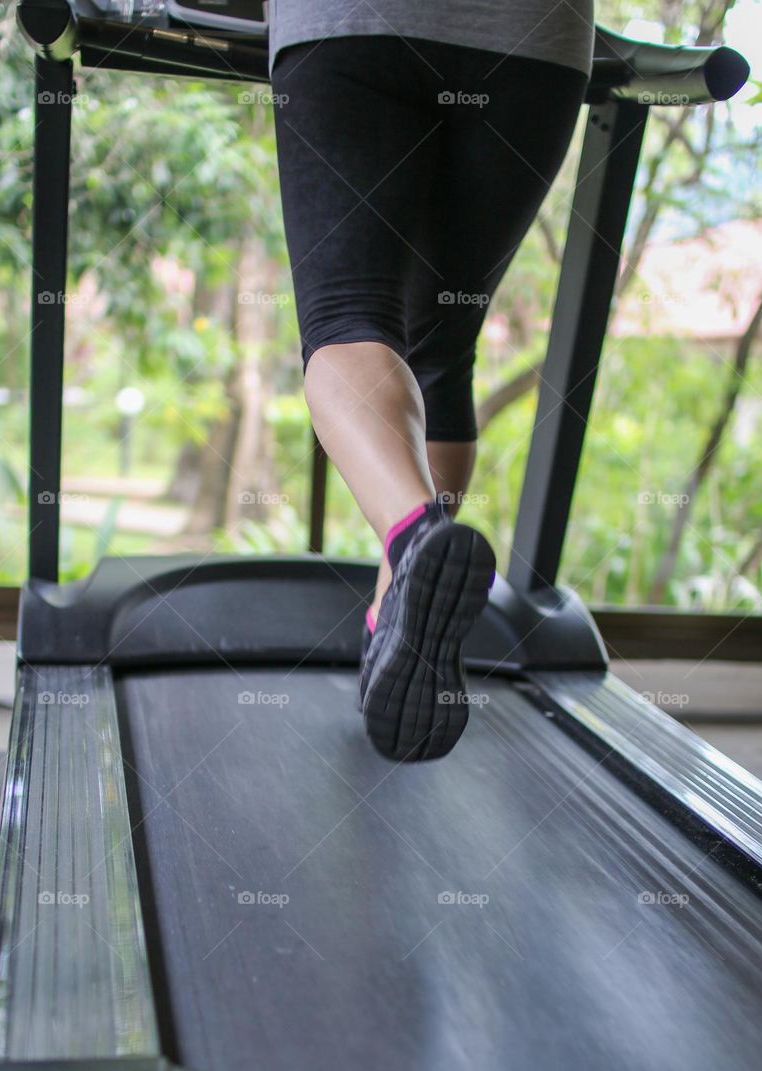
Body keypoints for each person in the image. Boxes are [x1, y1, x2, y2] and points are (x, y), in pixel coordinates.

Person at [269, 1, 594, 762]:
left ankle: (414, 539)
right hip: (535, 42)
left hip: (353, 25)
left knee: (348, 319)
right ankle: (393, 616)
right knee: (441, 346)